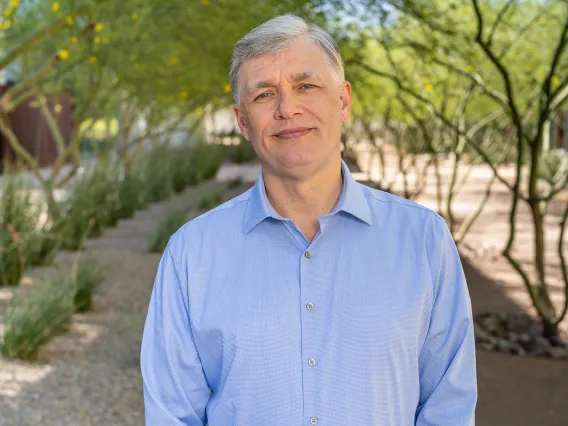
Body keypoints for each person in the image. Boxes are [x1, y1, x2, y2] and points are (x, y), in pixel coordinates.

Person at [140, 14, 477, 425]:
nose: (288, 108)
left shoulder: (424, 242)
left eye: (306, 86)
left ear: (344, 102)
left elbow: (449, 407)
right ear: (243, 121)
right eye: (264, 94)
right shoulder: (191, 254)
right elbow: (172, 414)